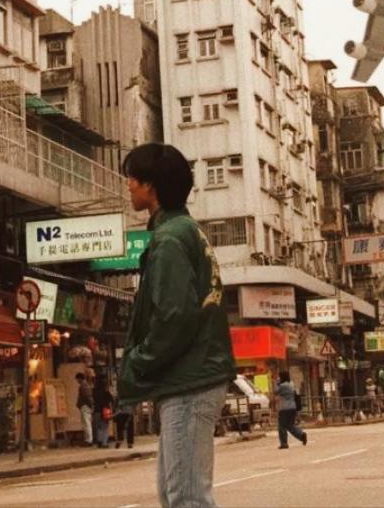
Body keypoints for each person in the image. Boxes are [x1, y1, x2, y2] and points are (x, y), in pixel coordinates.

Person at [117, 143, 236, 508]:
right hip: (189, 379)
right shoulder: (182, 230)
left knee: (186, 498)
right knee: (176, 497)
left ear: (150, 186)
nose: (128, 187)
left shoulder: (170, 238)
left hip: (189, 380)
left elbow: (174, 317)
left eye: (132, 179)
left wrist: (138, 359)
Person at [275, 371, 307, 449]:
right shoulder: (291, 384)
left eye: (279, 376)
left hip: (284, 408)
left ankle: (284, 443)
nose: (278, 378)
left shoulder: (283, 386)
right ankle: (301, 435)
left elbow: (275, 391)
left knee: (281, 426)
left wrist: (276, 382)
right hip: (292, 407)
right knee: (290, 425)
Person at [92, 375, 115, 448]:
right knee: (105, 428)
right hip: (104, 411)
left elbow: (92, 400)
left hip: (96, 411)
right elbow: (112, 400)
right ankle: (104, 443)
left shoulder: (94, 390)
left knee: (99, 427)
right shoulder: (106, 392)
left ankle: (99, 441)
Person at [75, 372, 94, 445]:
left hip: (85, 406)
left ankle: (88, 440)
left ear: (80, 378)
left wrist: (90, 405)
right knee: (86, 423)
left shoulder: (83, 386)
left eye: (77, 379)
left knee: (86, 423)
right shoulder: (85, 385)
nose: (77, 381)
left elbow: (87, 396)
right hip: (86, 406)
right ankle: (88, 439)